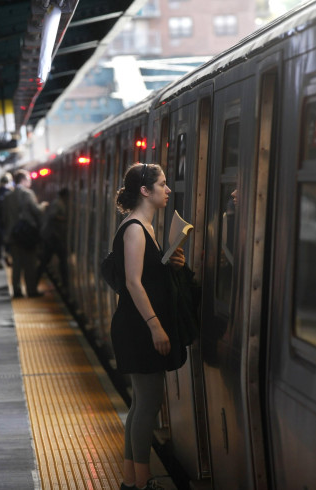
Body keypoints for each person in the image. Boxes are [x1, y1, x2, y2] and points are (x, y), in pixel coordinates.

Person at [109, 163, 186, 490]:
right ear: (145, 191)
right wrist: (156, 327)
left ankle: (133, 480)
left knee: (142, 404)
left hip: (137, 324)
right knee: (148, 404)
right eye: (163, 184)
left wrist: (172, 262)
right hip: (139, 327)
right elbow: (133, 282)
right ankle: (141, 483)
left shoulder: (144, 228)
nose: (168, 190)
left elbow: (146, 275)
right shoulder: (136, 229)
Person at [1, 169, 47, 298]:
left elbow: (4, 217)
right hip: (27, 236)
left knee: (16, 265)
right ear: (23, 180)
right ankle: (31, 290)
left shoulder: (7, 197)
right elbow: (36, 211)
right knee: (30, 264)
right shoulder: (28, 194)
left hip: (13, 235)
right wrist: (43, 206)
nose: (30, 183)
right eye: (29, 180)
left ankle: (16, 291)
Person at [37, 188, 70, 294]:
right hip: (53, 237)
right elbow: (52, 216)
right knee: (59, 259)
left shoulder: (57, 202)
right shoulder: (58, 203)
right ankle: (65, 284)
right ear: (64, 196)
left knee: (47, 260)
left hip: (53, 237)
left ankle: (34, 281)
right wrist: (64, 219)